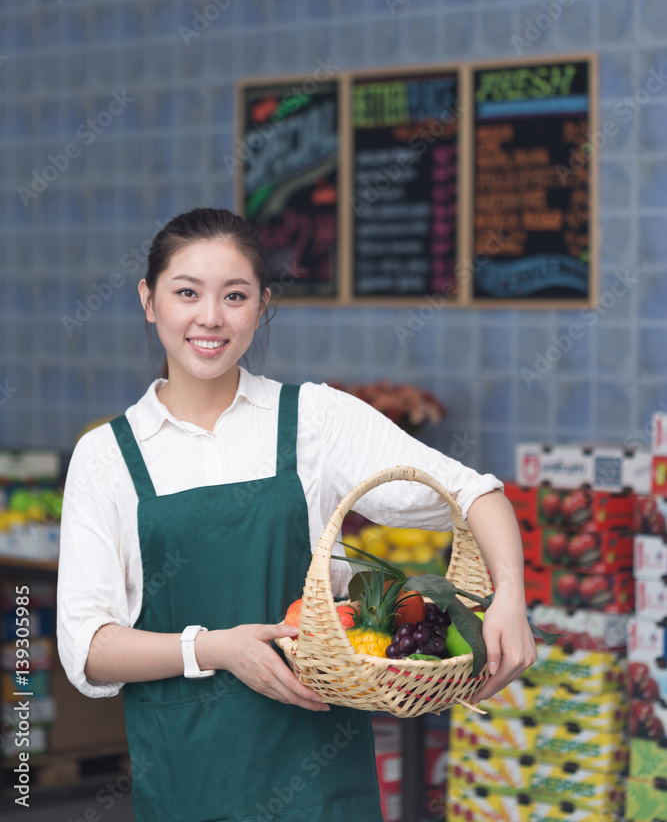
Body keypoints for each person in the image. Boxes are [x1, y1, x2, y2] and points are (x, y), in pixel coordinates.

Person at [57, 207, 536, 822]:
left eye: (235, 295)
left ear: (262, 306)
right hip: (190, 777)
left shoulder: (314, 419)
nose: (210, 317)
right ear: (149, 301)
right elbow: (88, 648)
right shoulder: (108, 456)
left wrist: (510, 600)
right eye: (186, 293)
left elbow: (475, 495)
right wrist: (216, 649)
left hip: (318, 778)